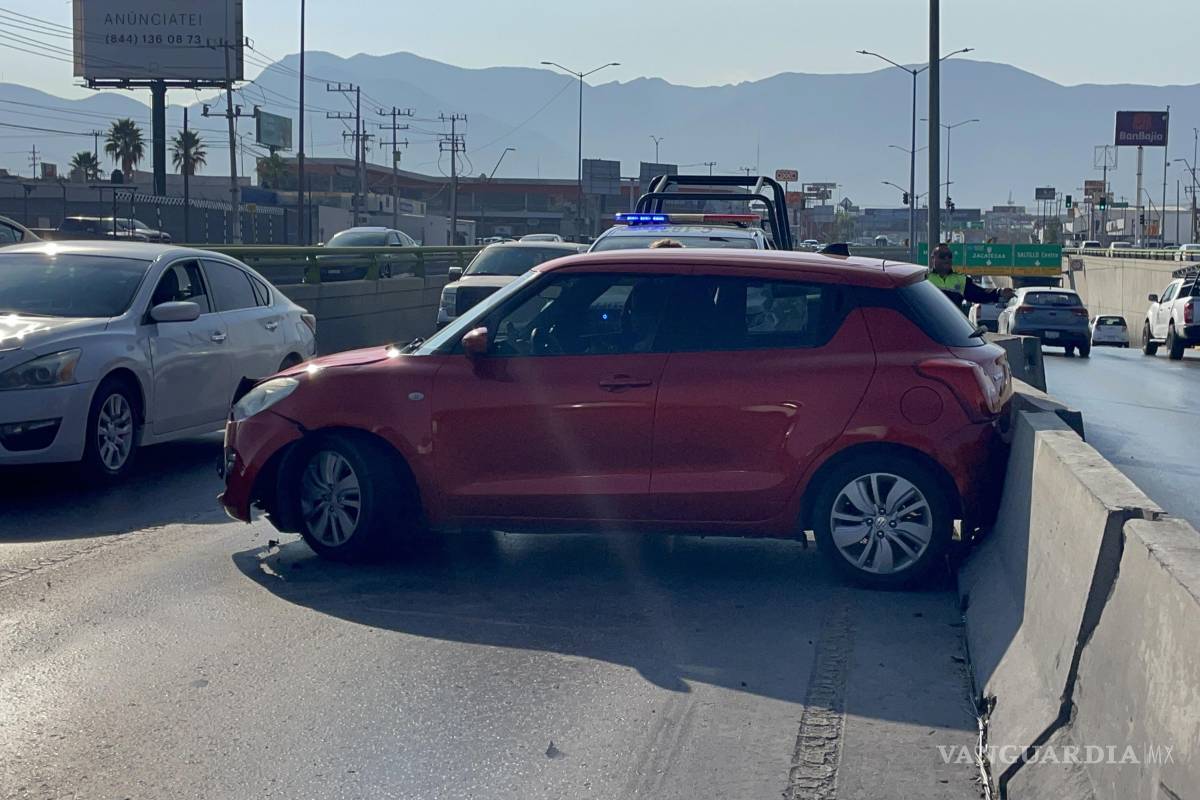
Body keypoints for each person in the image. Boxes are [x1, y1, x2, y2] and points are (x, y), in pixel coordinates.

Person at [928, 243, 1014, 309]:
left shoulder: (961, 280)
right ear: (933, 258)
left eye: (949, 256)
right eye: (942, 256)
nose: (947, 259)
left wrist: (1000, 292)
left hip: (950, 324)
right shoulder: (925, 278)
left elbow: (980, 294)